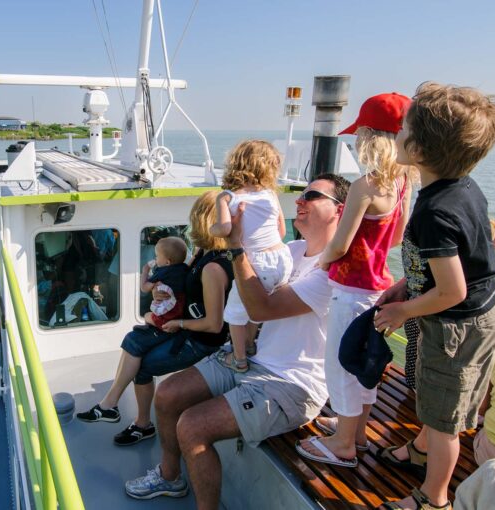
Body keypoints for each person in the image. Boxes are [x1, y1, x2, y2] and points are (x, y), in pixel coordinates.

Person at [124, 174, 349, 507]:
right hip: (252, 357)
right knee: (168, 394)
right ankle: (170, 478)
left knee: (192, 427)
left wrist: (236, 246)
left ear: (340, 211)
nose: (299, 201)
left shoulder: (335, 270)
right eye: (300, 196)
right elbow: (250, 308)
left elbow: (261, 306)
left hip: (290, 382)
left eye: (312, 196)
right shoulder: (292, 250)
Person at [373, 82, 495, 510]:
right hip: (472, 314)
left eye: (404, 125)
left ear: (422, 149)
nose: (397, 131)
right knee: (435, 400)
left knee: (445, 419)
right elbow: (461, 260)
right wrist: (406, 284)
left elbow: (452, 289)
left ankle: (434, 498)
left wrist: (402, 310)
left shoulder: (434, 212)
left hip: (455, 324)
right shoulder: (462, 187)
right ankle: (420, 450)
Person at [296, 93, 414, 467]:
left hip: (350, 290)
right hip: (378, 287)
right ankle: (356, 429)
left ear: (370, 137)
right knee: (365, 362)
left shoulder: (366, 185)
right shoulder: (402, 184)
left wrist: (319, 262)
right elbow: (397, 237)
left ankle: (344, 444)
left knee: (341, 363)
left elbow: (339, 244)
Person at [76, 191, 234, 447]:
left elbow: (214, 325)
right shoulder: (205, 252)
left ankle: (136, 421)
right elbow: (185, 279)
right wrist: (165, 289)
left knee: (143, 363)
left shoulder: (214, 268)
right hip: (186, 330)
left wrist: (178, 323)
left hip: (200, 339)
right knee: (133, 340)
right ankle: (114, 406)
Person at [209, 140, 291, 371]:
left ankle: (239, 359)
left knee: (235, 312)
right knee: (258, 306)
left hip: (256, 263)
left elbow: (225, 229)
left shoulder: (227, 197)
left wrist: (213, 229)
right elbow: (282, 231)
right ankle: (250, 344)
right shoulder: (271, 195)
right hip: (282, 259)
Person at [140, 236, 189, 328]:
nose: (155, 258)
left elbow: (144, 287)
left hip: (167, 317)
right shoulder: (184, 268)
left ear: (167, 262)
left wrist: (145, 271)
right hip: (180, 312)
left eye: (157, 256)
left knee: (146, 316)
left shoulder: (162, 272)